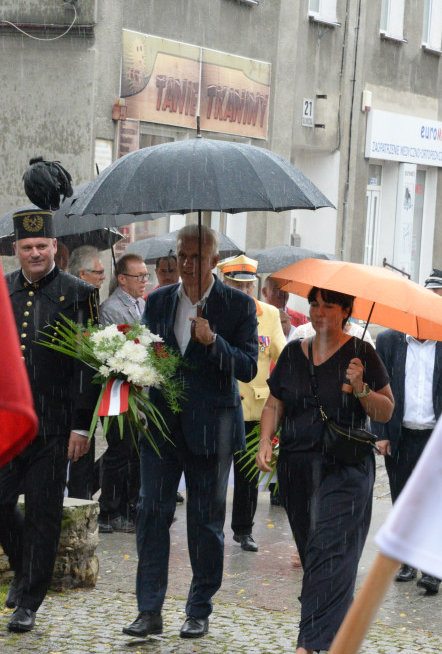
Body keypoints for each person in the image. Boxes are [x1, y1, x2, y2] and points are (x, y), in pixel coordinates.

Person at [122, 225, 258, 640]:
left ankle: (199, 608)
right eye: (181, 256)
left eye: (196, 258)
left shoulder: (238, 306)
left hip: (212, 429)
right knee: (151, 515)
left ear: (214, 261)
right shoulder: (160, 300)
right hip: (162, 428)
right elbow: (146, 350)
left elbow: (249, 366)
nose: (186, 265)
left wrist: (213, 341)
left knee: (205, 523)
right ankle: (149, 611)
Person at [0, 208, 98, 634]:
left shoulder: (79, 293)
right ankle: (24, 564)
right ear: (16, 250)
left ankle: (29, 600)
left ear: (54, 248)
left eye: (41, 246)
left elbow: (89, 364)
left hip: (54, 425)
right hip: (5, 423)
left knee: (45, 514)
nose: (34, 253)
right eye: (26, 247)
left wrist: (82, 427)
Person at [256, 287, 393, 654]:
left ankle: (308, 645)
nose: (318, 312)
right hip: (297, 471)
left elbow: (386, 411)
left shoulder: (363, 353)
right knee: (318, 557)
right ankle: (341, 638)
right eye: (314, 304)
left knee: (329, 553)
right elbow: (274, 403)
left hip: (346, 469)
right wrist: (266, 440)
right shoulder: (292, 354)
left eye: (328, 306)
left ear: (346, 310)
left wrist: (362, 388)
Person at [372, 274, 442, 595]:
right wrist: (381, 432)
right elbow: (379, 387)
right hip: (401, 435)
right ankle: (407, 561)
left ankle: (431, 568)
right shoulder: (388, 342)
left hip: (438, 438)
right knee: (403, 500)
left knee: (434, 502)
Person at [217, 255, 286, 553]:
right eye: (236, 285)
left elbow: (281, 355)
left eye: (247, 286)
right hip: (222, 404)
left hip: (256, 407)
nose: (243, 292)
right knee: (216, 471)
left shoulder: (269, 314)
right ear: (224, 284)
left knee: (248, 474)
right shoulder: (213, 311)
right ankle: (211, 527)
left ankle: (243, 530)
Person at [96, 253, 149, 534]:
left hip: (140, 389)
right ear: (122, 279)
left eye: (145, 276)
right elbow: (112, 351)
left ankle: (130, 508)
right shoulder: (112, 309)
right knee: (120, 450)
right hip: (118, 389)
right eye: (138, 276)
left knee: (135, 452)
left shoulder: (142, 303)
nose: (144, 281)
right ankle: (108, 511)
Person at [65, 244, 106, 500]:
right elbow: (84, 361)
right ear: (82, 274)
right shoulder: (76, 302)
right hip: (66, 397)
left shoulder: (91, 299)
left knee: (80, 468)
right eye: (98, 272)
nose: (103, 276)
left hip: (82, 400)